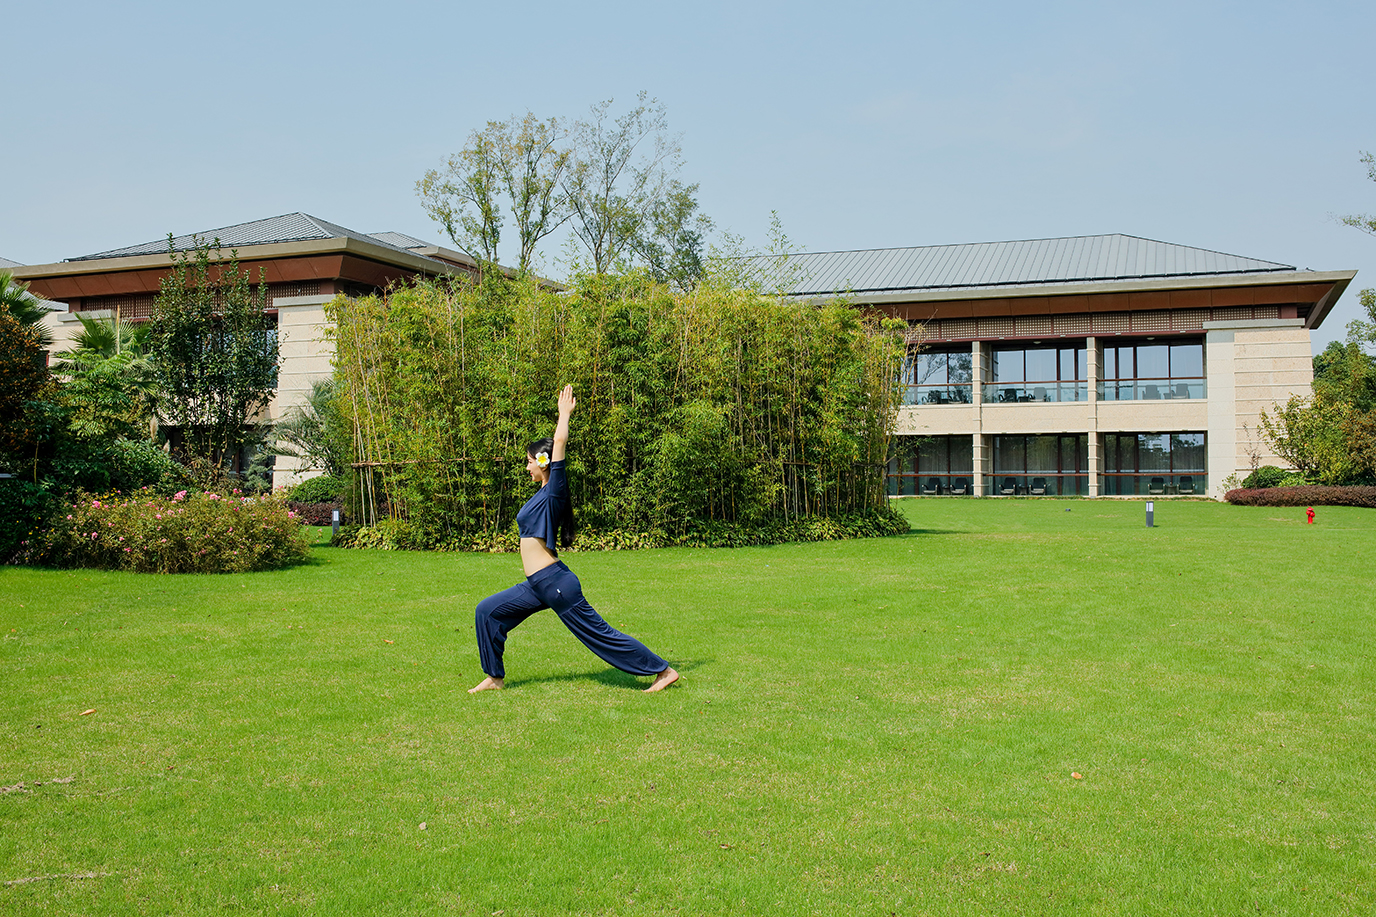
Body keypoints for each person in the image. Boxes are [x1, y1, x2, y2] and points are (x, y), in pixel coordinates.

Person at [468, 385, 680, 694]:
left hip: (554, 584)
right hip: (537, 586)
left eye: (529, 460)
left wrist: (563, 414)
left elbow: (559, 443)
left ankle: (662, 671)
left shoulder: (554, 491)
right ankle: (494, 678)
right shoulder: (539, 495)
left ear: (542, 461)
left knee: (599, 635)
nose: (526, 466)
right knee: (487, 611)